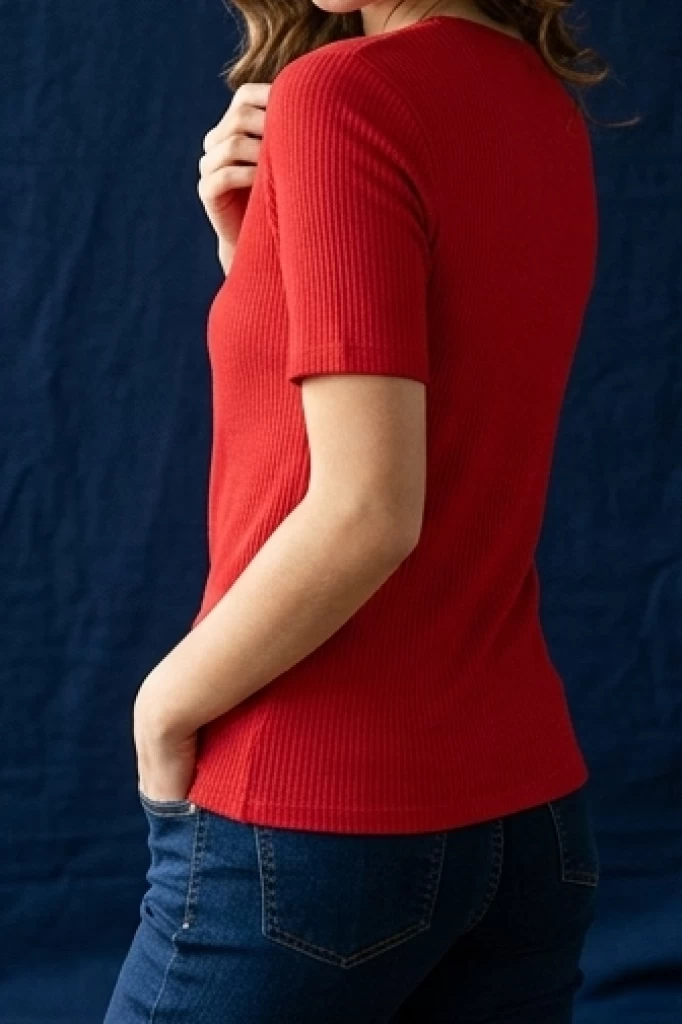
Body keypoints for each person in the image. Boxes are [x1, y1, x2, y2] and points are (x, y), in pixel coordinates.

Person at [104, 2, 607, 1020]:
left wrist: (161, 709)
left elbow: (370, 511)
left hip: (314, 816)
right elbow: (435, 412)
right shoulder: (541, 104)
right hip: (529, 823)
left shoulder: (342, 93)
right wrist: (257, 257)